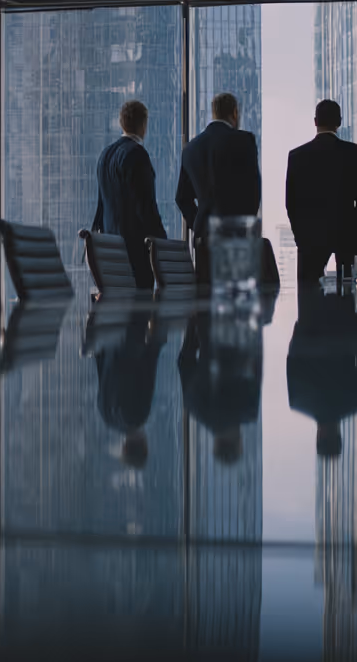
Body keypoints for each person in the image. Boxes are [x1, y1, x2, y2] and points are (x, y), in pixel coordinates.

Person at [176, 93, 262, 283]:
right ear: (235, 113)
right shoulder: (243, 140)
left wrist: (200, 224)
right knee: (235, 293)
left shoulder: (190, 148)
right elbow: (253, 191)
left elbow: (182, 198)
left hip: (203, 239)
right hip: (235, 237)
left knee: (205, 292)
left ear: (213, 113)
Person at [286, 99, 357, 282]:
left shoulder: (297, 156)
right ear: (339, 122)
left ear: (315, 121)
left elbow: (291, 203)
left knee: (309, 294)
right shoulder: (353, 152)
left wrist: (301, 238)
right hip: (348, 236)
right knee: (352, 293)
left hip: (310, 239)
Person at [92, 100, 169, 290]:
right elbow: (146, 208)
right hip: (134, 254)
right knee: (140, 305)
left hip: (110, 252)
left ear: (122, 123)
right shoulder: (137, 155)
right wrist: (164, 246)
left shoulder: (104, 156)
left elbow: (101, 207)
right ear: (144, 124)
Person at [288, 287, 357, 459]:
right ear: (317, 438)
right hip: (311, 318)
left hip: (346, 321)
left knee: (349, 277)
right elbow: (292, 358)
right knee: (310, 281)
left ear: (339, 436)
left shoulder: (355, 402)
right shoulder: (298, 401)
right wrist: (300, 326)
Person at [179, 309, 262, 465]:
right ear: (216, 443)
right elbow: (185, 361)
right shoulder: (195, 409)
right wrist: (194, 323)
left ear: (238, 442)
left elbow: (256, 362)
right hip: (207, 324)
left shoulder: (250, 411)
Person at [92, 307, 166, 469]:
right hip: (108, 328)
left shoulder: (139, 417)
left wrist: (159, 336)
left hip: (134, 327)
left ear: (145, 446)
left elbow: (149, 364)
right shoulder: (105, 416)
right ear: (125, 447)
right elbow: (100, 363)